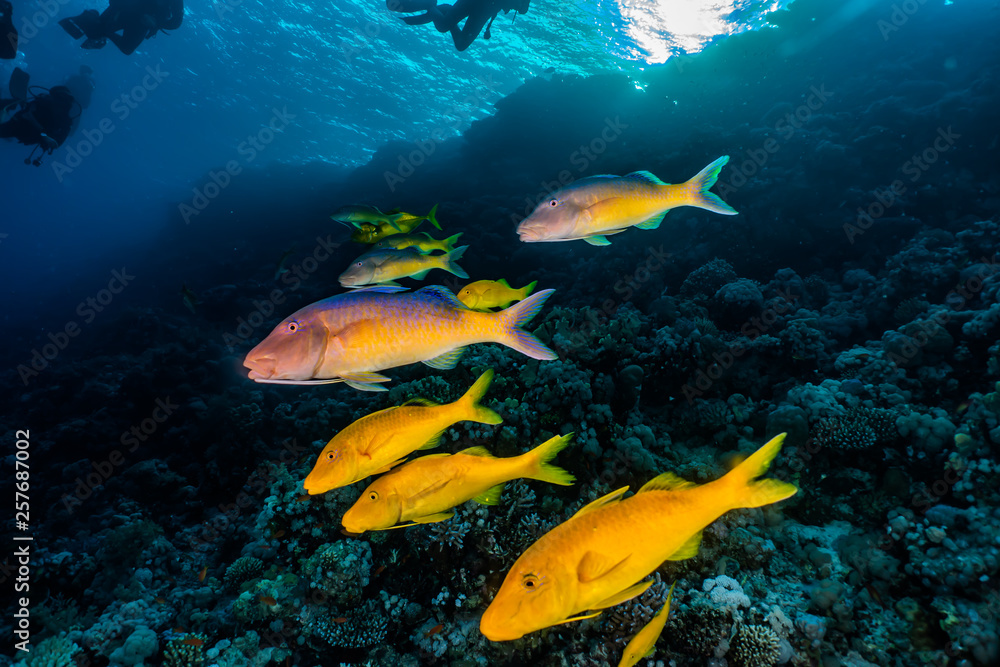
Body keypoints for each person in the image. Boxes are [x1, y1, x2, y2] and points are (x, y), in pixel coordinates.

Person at [391, 0, 530, 51]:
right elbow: (523, 9)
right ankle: (431, 5)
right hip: (479, 3)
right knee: (443, 26)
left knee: (461, 44)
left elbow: (523, 10)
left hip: (487, 10)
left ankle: (443, 9)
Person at [59, 0, 183, 55]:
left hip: (141, 23)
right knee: (95, 32)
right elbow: (114, 2)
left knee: (127, 49)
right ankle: (94, 18)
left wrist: (155, 23)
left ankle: (103, 31)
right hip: (122, 12)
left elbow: (176, 22)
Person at [0, 81, 77, 166]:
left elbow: (28, 112)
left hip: (22, 129)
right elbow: (55, 143)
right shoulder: (66, 120)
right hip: (29, 135)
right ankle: (6, 107)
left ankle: (6, 107)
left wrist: (39, 129)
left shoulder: (44, 101)